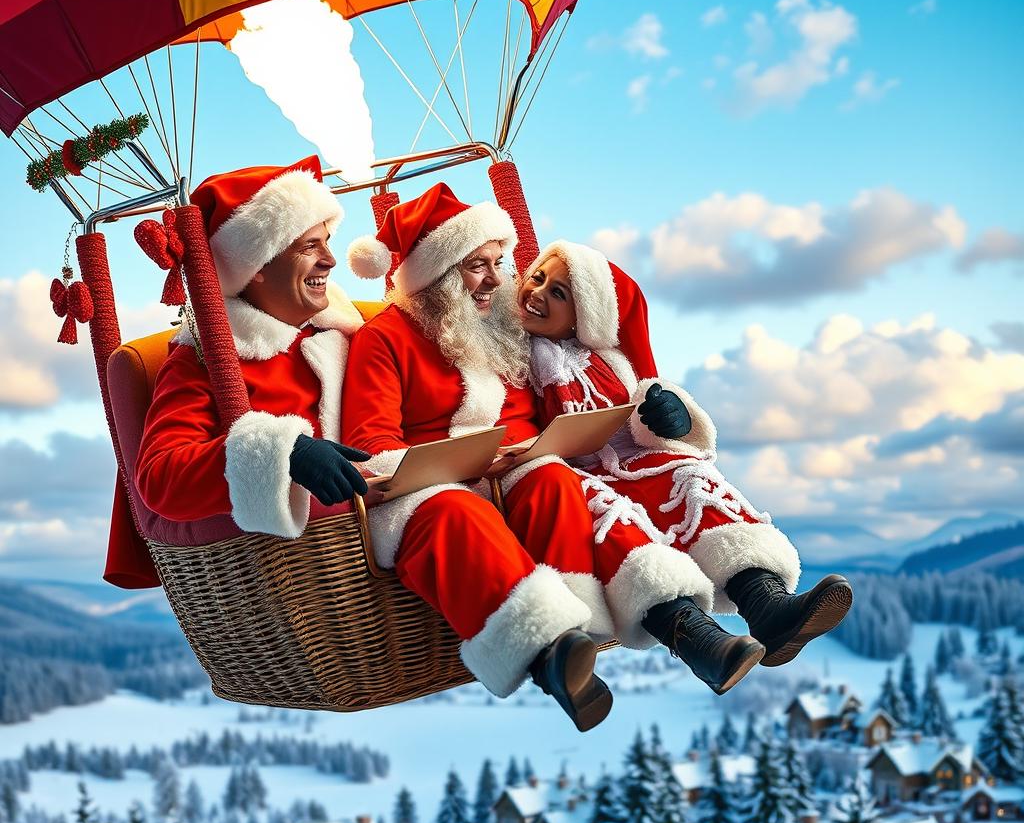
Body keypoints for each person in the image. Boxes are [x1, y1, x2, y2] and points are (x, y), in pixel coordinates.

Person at [342, 184, 764, 716]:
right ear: (439, 272)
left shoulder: (506, 329)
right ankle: (553, 654)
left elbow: (581, 375)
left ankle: (675, 630)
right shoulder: (385, 337)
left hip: (520, 471)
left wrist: (638, 422)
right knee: (459, 512)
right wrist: (462, 462)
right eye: (478, 265)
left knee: (563, 483)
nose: (499, 279)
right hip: (431, 489)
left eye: (501, 261)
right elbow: (370, 444)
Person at [517, 239, 853, 666]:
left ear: (585, 314)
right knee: (611, 520)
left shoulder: (608, 361)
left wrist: (669, 418)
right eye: (538, 278)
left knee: (690, 479)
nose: (538, 293)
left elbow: (640, 401)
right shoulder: (513, 353)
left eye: (559, 293)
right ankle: (695, 637)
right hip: (572, 475)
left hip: (630, 462)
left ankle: (765, 601)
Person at [135, 155, 371, 540]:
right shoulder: (203, 359)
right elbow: (161, 478)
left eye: (327, 243)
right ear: (257, 264)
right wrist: (285, 453)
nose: (329, 261)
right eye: (309, 246)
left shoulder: (352, 333)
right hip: (307, 566)